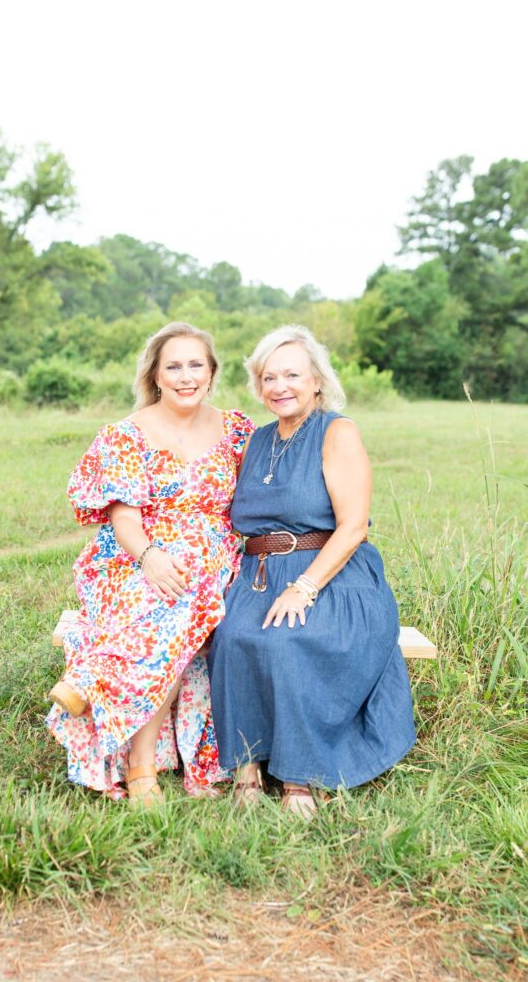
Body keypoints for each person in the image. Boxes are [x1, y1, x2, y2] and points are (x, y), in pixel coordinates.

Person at [207, 325, 416, 818]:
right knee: (232, 636)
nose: (280, 386)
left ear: (317, 380)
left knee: (289, 641)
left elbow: (353, 527)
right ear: (259, 386)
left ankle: (299, 776)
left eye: (292, 375)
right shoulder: (255, 441)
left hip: (331, 574)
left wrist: (304, 587)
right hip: (259, 572)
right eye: (269, 377)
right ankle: (248, 766)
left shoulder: (335, 430)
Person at [46, 322, 254, 805]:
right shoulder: (127, 434)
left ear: (212, 372)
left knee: (188, 589)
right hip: (133, 553)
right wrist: (151, 557)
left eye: (196, 365)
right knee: (171, 596)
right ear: (156, 376)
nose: (186, 376)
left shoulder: (237, 429)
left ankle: (95, 682)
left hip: (213, 554)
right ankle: (138, 764)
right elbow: (124, 518)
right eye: (174, 366)